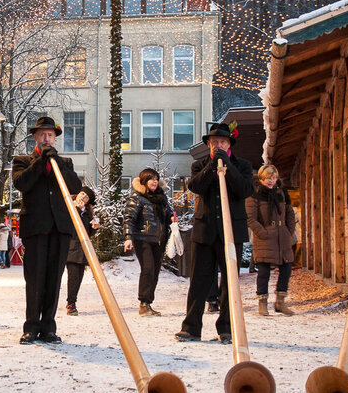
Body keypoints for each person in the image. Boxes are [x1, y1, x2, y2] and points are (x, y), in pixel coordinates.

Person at [175, 122, 254, 343]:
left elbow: (245, 189)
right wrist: (213, 165)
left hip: (232, 232)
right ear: (208, 145)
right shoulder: (199, 165)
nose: (217, 145)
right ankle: (191, 328)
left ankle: (227, 329)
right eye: (213, 142)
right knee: (199, 281)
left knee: (230, 283)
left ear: (229, 144)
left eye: (221, 142)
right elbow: (196, 186)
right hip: (204, 231)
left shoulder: (243, 165)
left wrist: (227, 165)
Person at [12, 116, 82, 345]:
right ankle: (31, 327)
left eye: (50, 135)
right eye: (42, 134)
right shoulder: (23, 161)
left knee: (54, 279)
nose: (46, 138)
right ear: (35, 137)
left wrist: (57, 163)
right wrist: (41, 162)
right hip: (35, 228)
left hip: (59, 229)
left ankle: (48, 327)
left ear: (55, 138)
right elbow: (22, 183)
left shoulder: (65, 162)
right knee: (34, 279)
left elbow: (74, 186)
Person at [246, 165, 297, 316]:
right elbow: (250, 218)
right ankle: (263, 303)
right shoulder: (254, 195)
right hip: (265, 237)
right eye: (268, 178)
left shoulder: (281, 192)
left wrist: (289, 230)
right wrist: (263, 232)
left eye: (273, 178)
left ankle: (280, 302)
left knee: (286, 268)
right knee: (264, 271)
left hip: (283, 236)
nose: (271, 181)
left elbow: (289, 212)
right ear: (261, 178)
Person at [123, 168, 174, 317]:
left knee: (155, 271)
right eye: (151, 179)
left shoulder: (162, 198)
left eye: (156, 179)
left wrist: (172, 218)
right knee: (148, 268)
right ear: (144, 181)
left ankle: (148, 303)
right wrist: (128, 237)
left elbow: (168, 214)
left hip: (159, 240)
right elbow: (129, 218)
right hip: (142, 239)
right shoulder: (137, 198)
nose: (154, 182)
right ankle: (143, 303)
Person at [65, 186, 99, 316]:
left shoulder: (87, 213)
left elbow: (87, 233)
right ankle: (71, 303)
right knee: (73, 277)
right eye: (82, 194)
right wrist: (77, 210)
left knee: (78, 278)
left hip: (83, 250)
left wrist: (94, 228)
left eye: (86, 197)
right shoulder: (70, 207)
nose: (83, 197)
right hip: (71, 248)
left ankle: (72, 301)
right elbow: (70, 224)